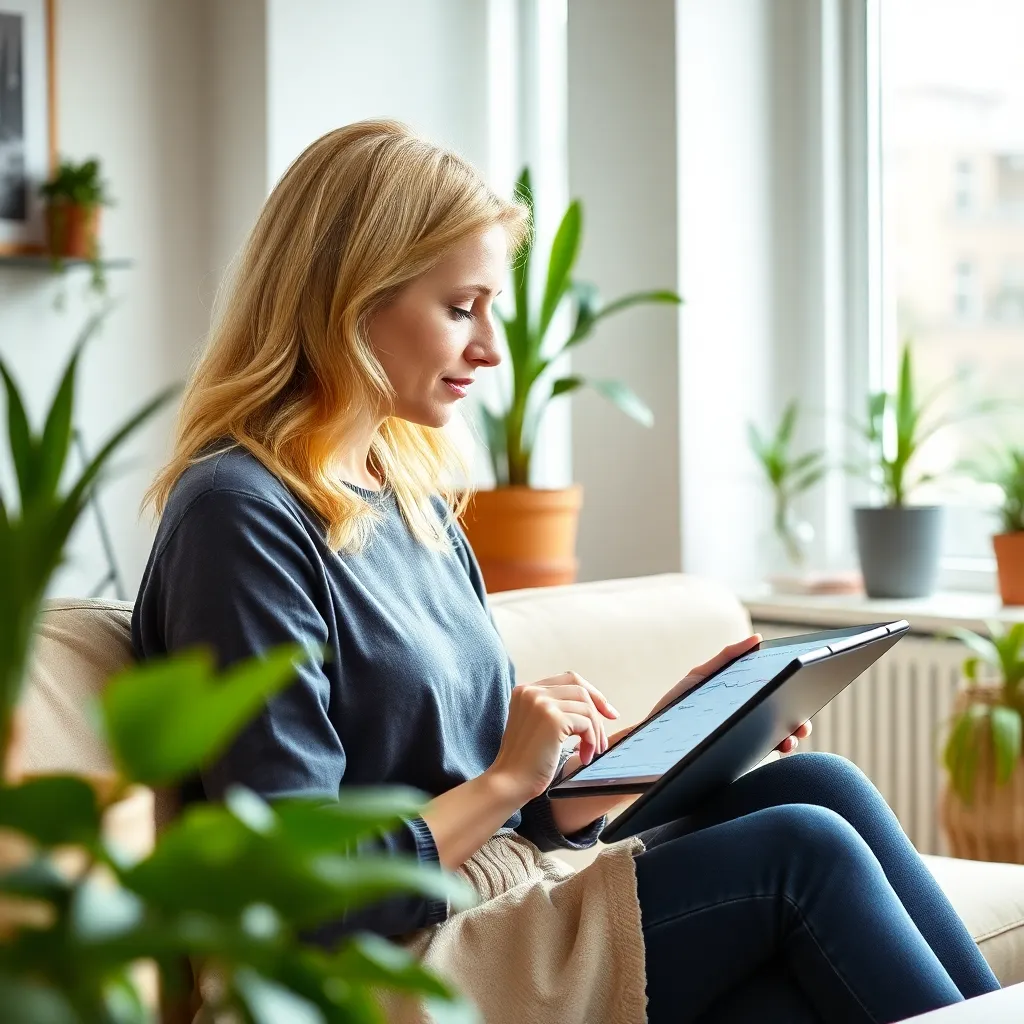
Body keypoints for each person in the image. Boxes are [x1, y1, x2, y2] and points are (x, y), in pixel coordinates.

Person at [132, 120, 1000, 1023]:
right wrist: (508, 779)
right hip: (385, 961)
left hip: (493, 892)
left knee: (819, 787)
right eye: (461, 307)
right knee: (801, 851)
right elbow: (296, 890)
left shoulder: (413, 498)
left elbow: (503, 814)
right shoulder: (241, 517)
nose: (491, 349)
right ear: (349, 299)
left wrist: (659, 754)